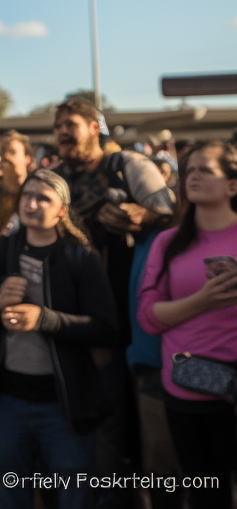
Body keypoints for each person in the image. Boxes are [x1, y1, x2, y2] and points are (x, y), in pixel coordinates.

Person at [0, 169, 118, 509]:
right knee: (9, 498)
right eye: (27, 195)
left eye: (44, 199)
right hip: (6, 402)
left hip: (63, 407)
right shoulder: (6, 247)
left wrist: (45, 319)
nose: (32, 203)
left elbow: (107, 329)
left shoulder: (80, 257)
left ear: (61, 211)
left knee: (73, 498)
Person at [53, 97, 175, 497]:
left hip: (132, 320)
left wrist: (143, 216)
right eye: (59, 128)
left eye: (71, 125)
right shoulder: (57, 176)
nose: (63, 134)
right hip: (78, 324)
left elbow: (172, 216)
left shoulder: (127, 166)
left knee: (140, 433)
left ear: (94, 127)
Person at [137, 141, 237, 509]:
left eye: (206, 169)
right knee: (208, 494)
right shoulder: (166, 243)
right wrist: (203, 301)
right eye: (189, 169)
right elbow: (148, 317)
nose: (193, 175)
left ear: (232, 185)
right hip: (188, 389)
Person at [0, 131, 34, 237]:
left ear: (27, 159)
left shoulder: (34, 195)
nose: (6, 156)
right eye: (3, 153)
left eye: (12, 152)